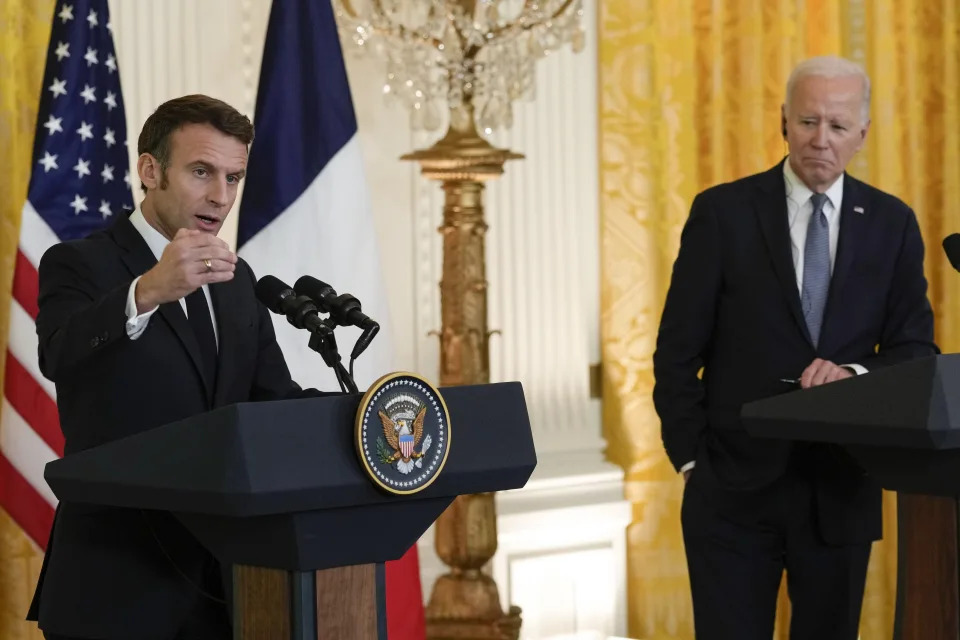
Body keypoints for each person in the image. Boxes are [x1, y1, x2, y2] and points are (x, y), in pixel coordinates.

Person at [653, 56, 937, 640]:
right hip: (730, 490)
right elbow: (676, 351)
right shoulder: (722, 213)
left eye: (837, 126)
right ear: (783, 121)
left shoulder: (892, 223)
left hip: (840, 488)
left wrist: (854, 373)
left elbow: (915, 351)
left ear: (863, 133)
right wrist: (690, 462)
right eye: (808, 122)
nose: (820, 141)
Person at [27, 95, 313, 640]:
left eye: (234, 177)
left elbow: (272, 400)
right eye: (202, 172)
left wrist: (361, 414)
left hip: (231, 586)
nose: (220, 196)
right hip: (116, 588)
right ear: (150, 169)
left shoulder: (235, 278)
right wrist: (147, 291)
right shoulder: (80, 263)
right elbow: (58, 353)